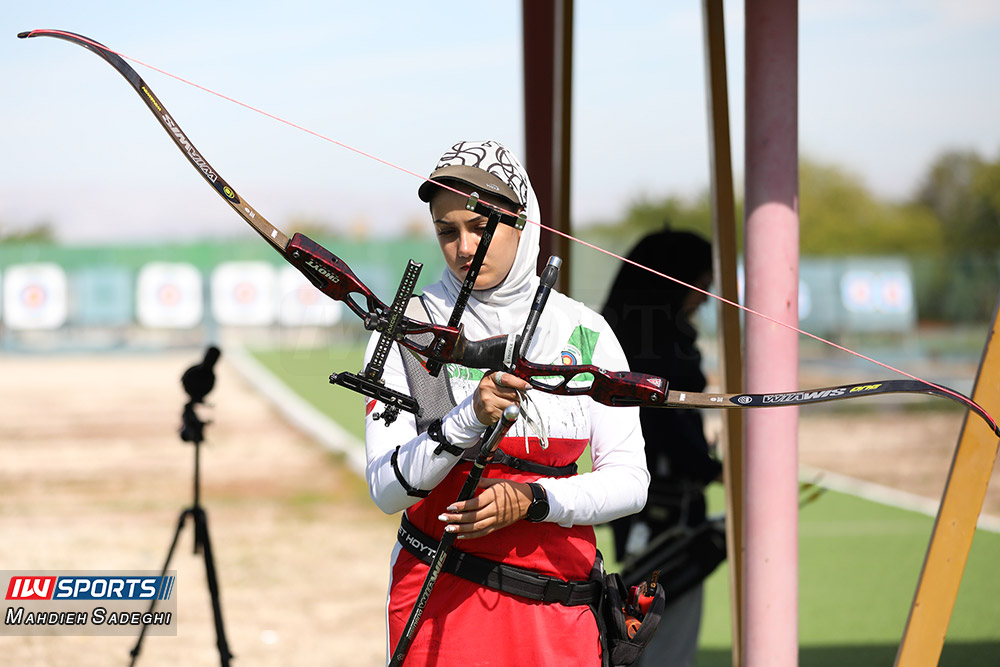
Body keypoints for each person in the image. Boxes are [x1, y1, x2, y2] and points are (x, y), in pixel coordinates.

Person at [363, 139, 650, 667]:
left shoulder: (585, 331)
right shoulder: (413, 330)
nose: (464, 247)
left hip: (561, 614)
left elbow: (631, 483)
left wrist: (533, 501)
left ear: (525, 223)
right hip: (443, 611)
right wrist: (467, 418)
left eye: (482, 226)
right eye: (447, 231)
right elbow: (385, 490)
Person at [601, 229, 723, 667]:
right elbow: (663, 422)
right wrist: (712, 469)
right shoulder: (651, 352)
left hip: (656, 518)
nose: (707, 299)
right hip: (661, 524)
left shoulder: (644, 340)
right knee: (660, 644)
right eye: (701, 285)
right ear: (675, 284)